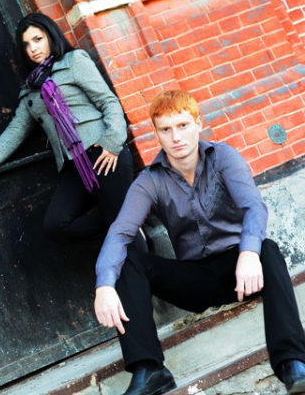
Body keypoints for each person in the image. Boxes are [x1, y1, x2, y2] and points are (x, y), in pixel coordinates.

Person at [93, 89, 305, 394]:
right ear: (157, 134)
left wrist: (248, 253)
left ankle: (292, 362)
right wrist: (104, 285)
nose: (176, 137)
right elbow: (120, 233)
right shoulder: (150, 181)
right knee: (128, 261)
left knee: (268, 249)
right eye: (166, 129)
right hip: (194, 280)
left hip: (240, 271)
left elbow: (253, 207)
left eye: (182, 125)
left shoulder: (223, 157)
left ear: (198, 124)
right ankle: (149, 370)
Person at [0, 13, 138, 243]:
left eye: (38, 39)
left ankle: (130, 226)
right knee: (56, 224)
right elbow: (13, 134)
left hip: (102, 153)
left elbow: (108, 101)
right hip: (75, 165)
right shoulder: (30, 91)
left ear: (51, 36)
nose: (33, 48)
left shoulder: (73, 61)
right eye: (26, 45)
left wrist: (113, 143)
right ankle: (134, 216)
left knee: (124, 234)